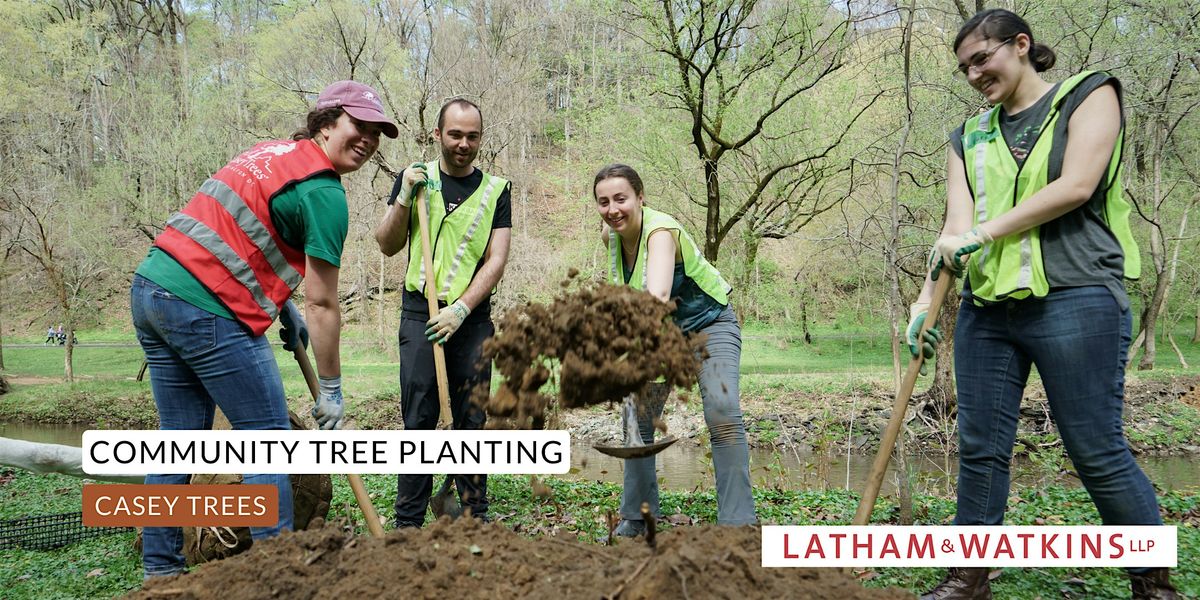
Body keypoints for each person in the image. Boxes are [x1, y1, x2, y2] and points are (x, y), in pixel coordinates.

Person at [909, 10, 1177, 599]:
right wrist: (925, 301)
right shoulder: (968, 136)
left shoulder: (1090, 94)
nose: (975, 73)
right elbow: (955, 228)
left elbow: (1077, 184)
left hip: (1077, 297)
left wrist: (984, 234)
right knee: (980, 450)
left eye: (983, 58)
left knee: (1094, 447)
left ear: (1021, 44)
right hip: (987, 311)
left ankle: (1153, 584)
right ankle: (967, 579)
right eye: (965, 68)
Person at [131, 80, 398, 578]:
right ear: (325, 122)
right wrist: (333, 388)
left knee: (179, 442)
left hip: (152, 291)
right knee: (267, 441)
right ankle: (278, 574)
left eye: (376, 133)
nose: (368, 139)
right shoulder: (323, 192)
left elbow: (239, 234)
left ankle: (161, 572)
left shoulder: (269, 152)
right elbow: (322, 302)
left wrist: (279, 305)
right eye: (358, 125)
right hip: (206, 309)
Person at [592, 163, 756, 535]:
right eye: (604, 202)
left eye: (621, 198)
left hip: (708, 327)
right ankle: (637, 516)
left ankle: (738, 524)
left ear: (640, 197)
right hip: (661, 337)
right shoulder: (611, 236)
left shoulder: (661, 232)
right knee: (636, 417)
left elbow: (658, 296)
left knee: (722, 411)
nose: (613, 209)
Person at [375, 98, 512, 528]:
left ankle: (474, 514)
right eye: (455, 134)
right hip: (420, 313)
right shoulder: (416, 180)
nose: (463, 144)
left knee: (472, 417)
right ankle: (409, 522)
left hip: (470, 318)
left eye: (472, 136)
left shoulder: (497, 190)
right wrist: (402, 198)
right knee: (418, 416)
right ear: (438, 135)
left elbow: (496, 260)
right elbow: (385, 243)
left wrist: (461, 308)